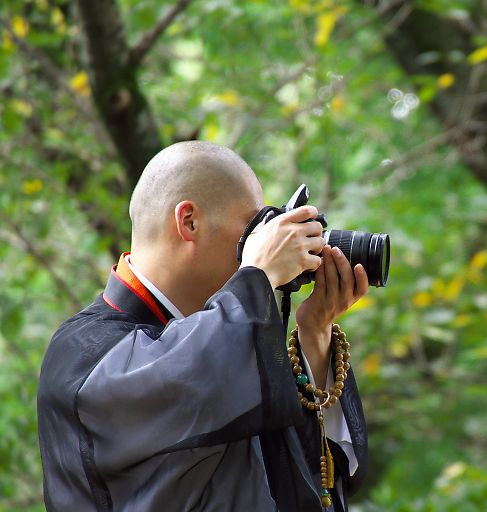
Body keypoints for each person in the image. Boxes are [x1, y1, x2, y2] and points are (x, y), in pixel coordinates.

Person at [37, 141, 369, 511]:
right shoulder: (81, 352)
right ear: (188, 221)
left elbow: (305, 485)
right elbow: (197, 382)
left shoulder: (234, 349)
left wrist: (315, 335)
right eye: (252, 228)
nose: (260, 243)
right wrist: (258, 273)